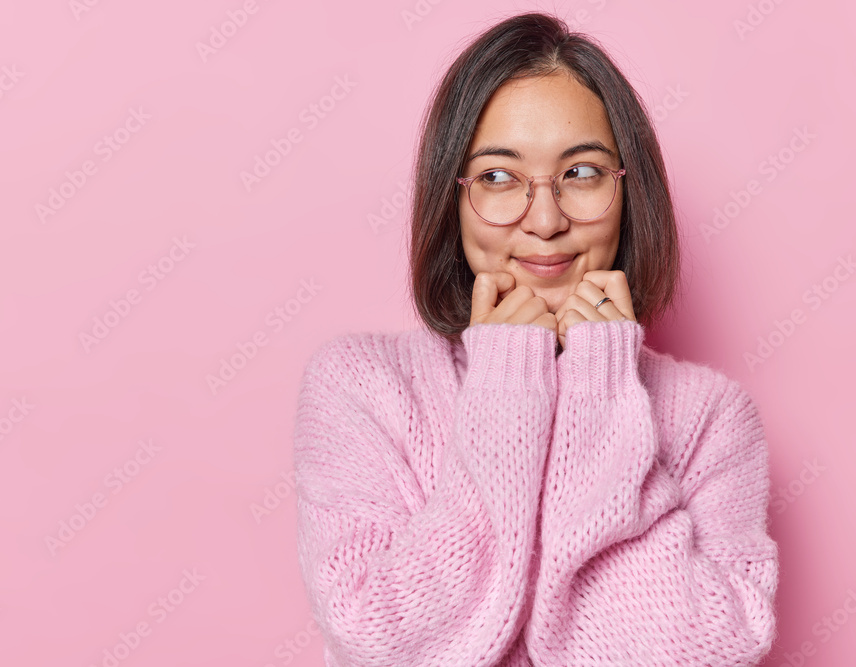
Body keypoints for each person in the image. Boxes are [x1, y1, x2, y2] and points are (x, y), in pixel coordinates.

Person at [292, 12, 778, 666]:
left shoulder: (714, 417)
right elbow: (380, 642)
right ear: (453, 197)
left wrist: (601, 390)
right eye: (497, 177)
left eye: (581, 173)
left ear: (629, 190)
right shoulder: (360, 385)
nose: (545, 220)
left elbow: (700, 652)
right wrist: (503, 389)